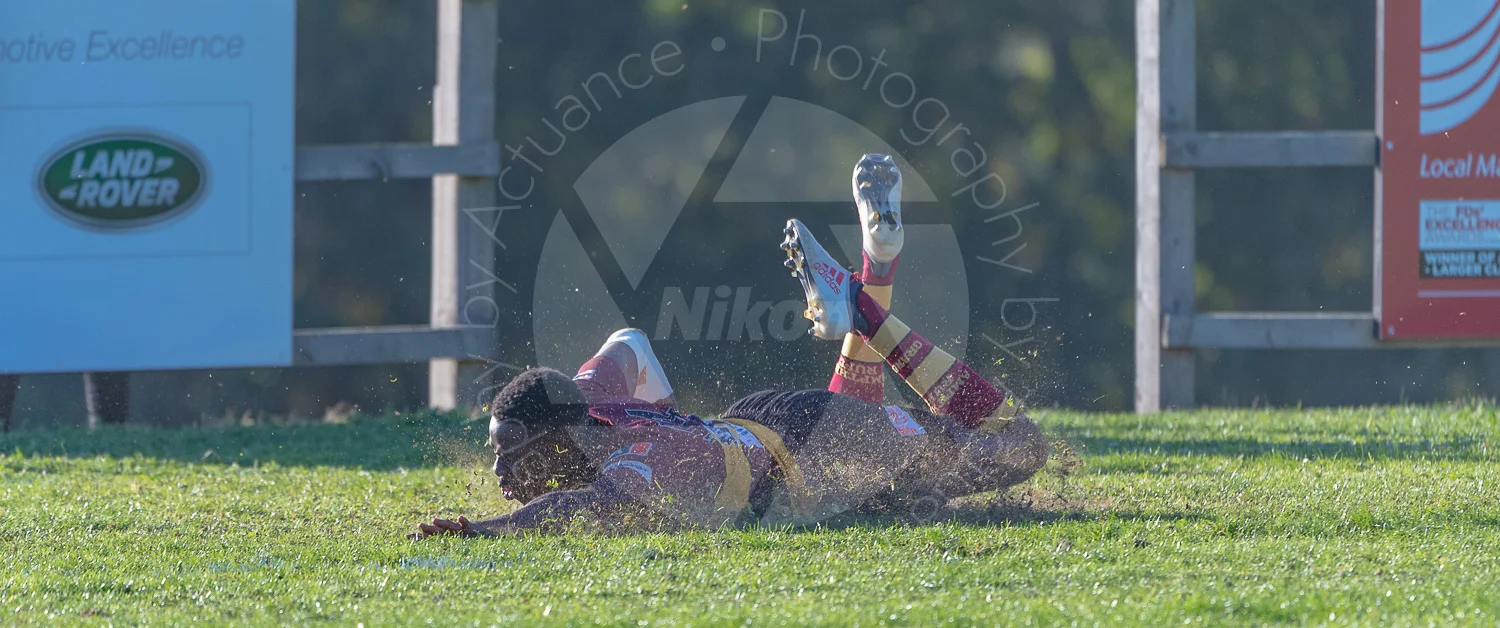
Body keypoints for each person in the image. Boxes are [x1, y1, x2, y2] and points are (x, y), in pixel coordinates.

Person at [411, 155, 1048, 539]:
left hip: (800, 445)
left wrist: (481, 530)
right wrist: (635, 409)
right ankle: (876, 266)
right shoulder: (593, 408)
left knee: (1017, 445)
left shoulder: (625, 462)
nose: (499, 471)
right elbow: (630, 342)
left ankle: (862, 304)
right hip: (781, 430)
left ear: (558, 439)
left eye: (511, 450)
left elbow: (582, 507)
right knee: (861, 424)